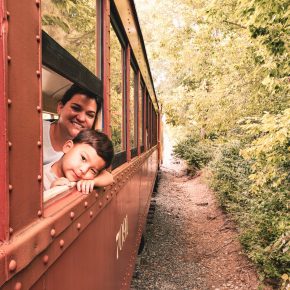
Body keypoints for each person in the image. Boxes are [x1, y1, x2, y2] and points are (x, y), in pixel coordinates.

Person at [43, 84, 114, 188]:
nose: (81, 118)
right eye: (76, 108)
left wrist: (92, 182)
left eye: (90, 115)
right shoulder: (34, 130)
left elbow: (108, 176)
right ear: (60, 108)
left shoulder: (85, 146)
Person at [43, 129, 114, 195]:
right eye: (83, 158)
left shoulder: (84, 177)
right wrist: (51, 193)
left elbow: (109, 177)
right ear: (68, 147)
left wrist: (93, 182)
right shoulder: (40, 178)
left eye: (92, 170)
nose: (84, 170)